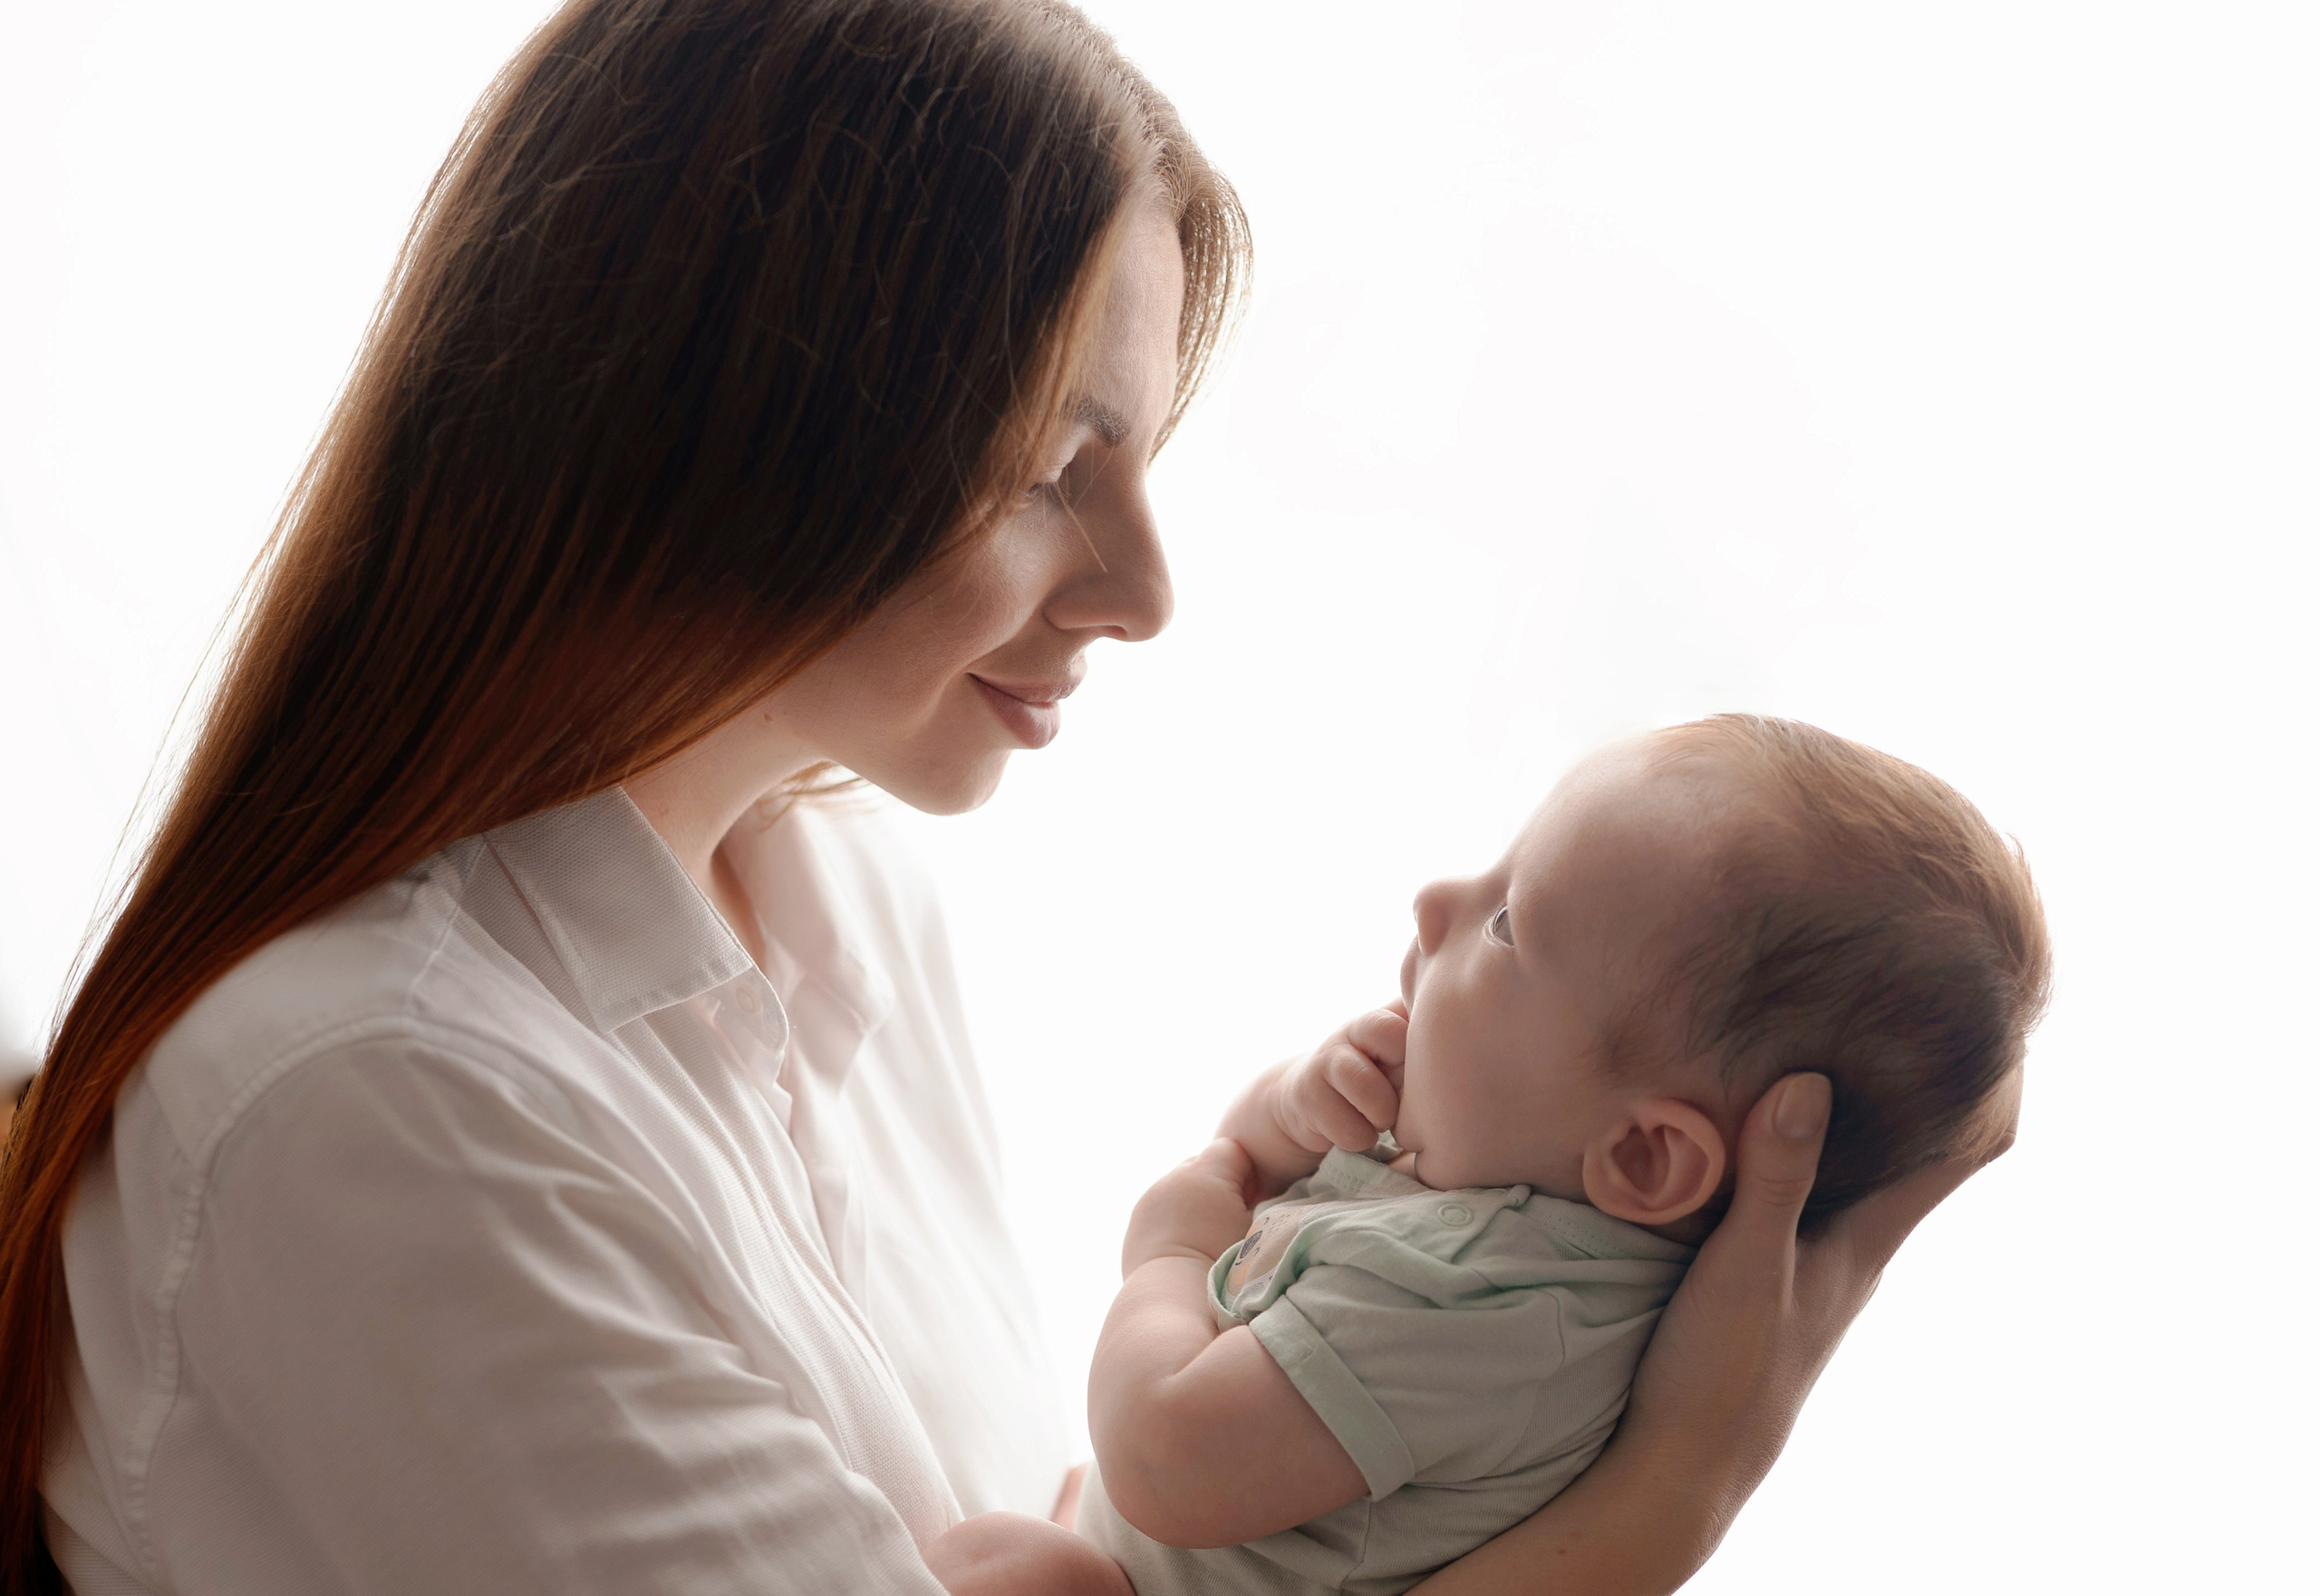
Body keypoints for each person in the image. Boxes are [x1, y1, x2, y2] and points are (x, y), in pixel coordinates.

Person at [0, 4, 2016, 1594]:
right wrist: (1646, 1516)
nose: (1145, 589)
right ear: (740, 425)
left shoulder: (842, 908)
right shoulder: (376, 1099)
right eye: (1057, 462)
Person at [924, 716, 2048, 1596]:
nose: (1435, 903)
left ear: (1648, 1158)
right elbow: (1252, 1172)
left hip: (1132, 1551)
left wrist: (1164, 1253)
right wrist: (1293, 1101)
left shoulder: (1491, 1304)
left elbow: (1168, 1458)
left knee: (1015, 1575)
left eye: (1509, 923)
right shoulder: (1494, 1182)